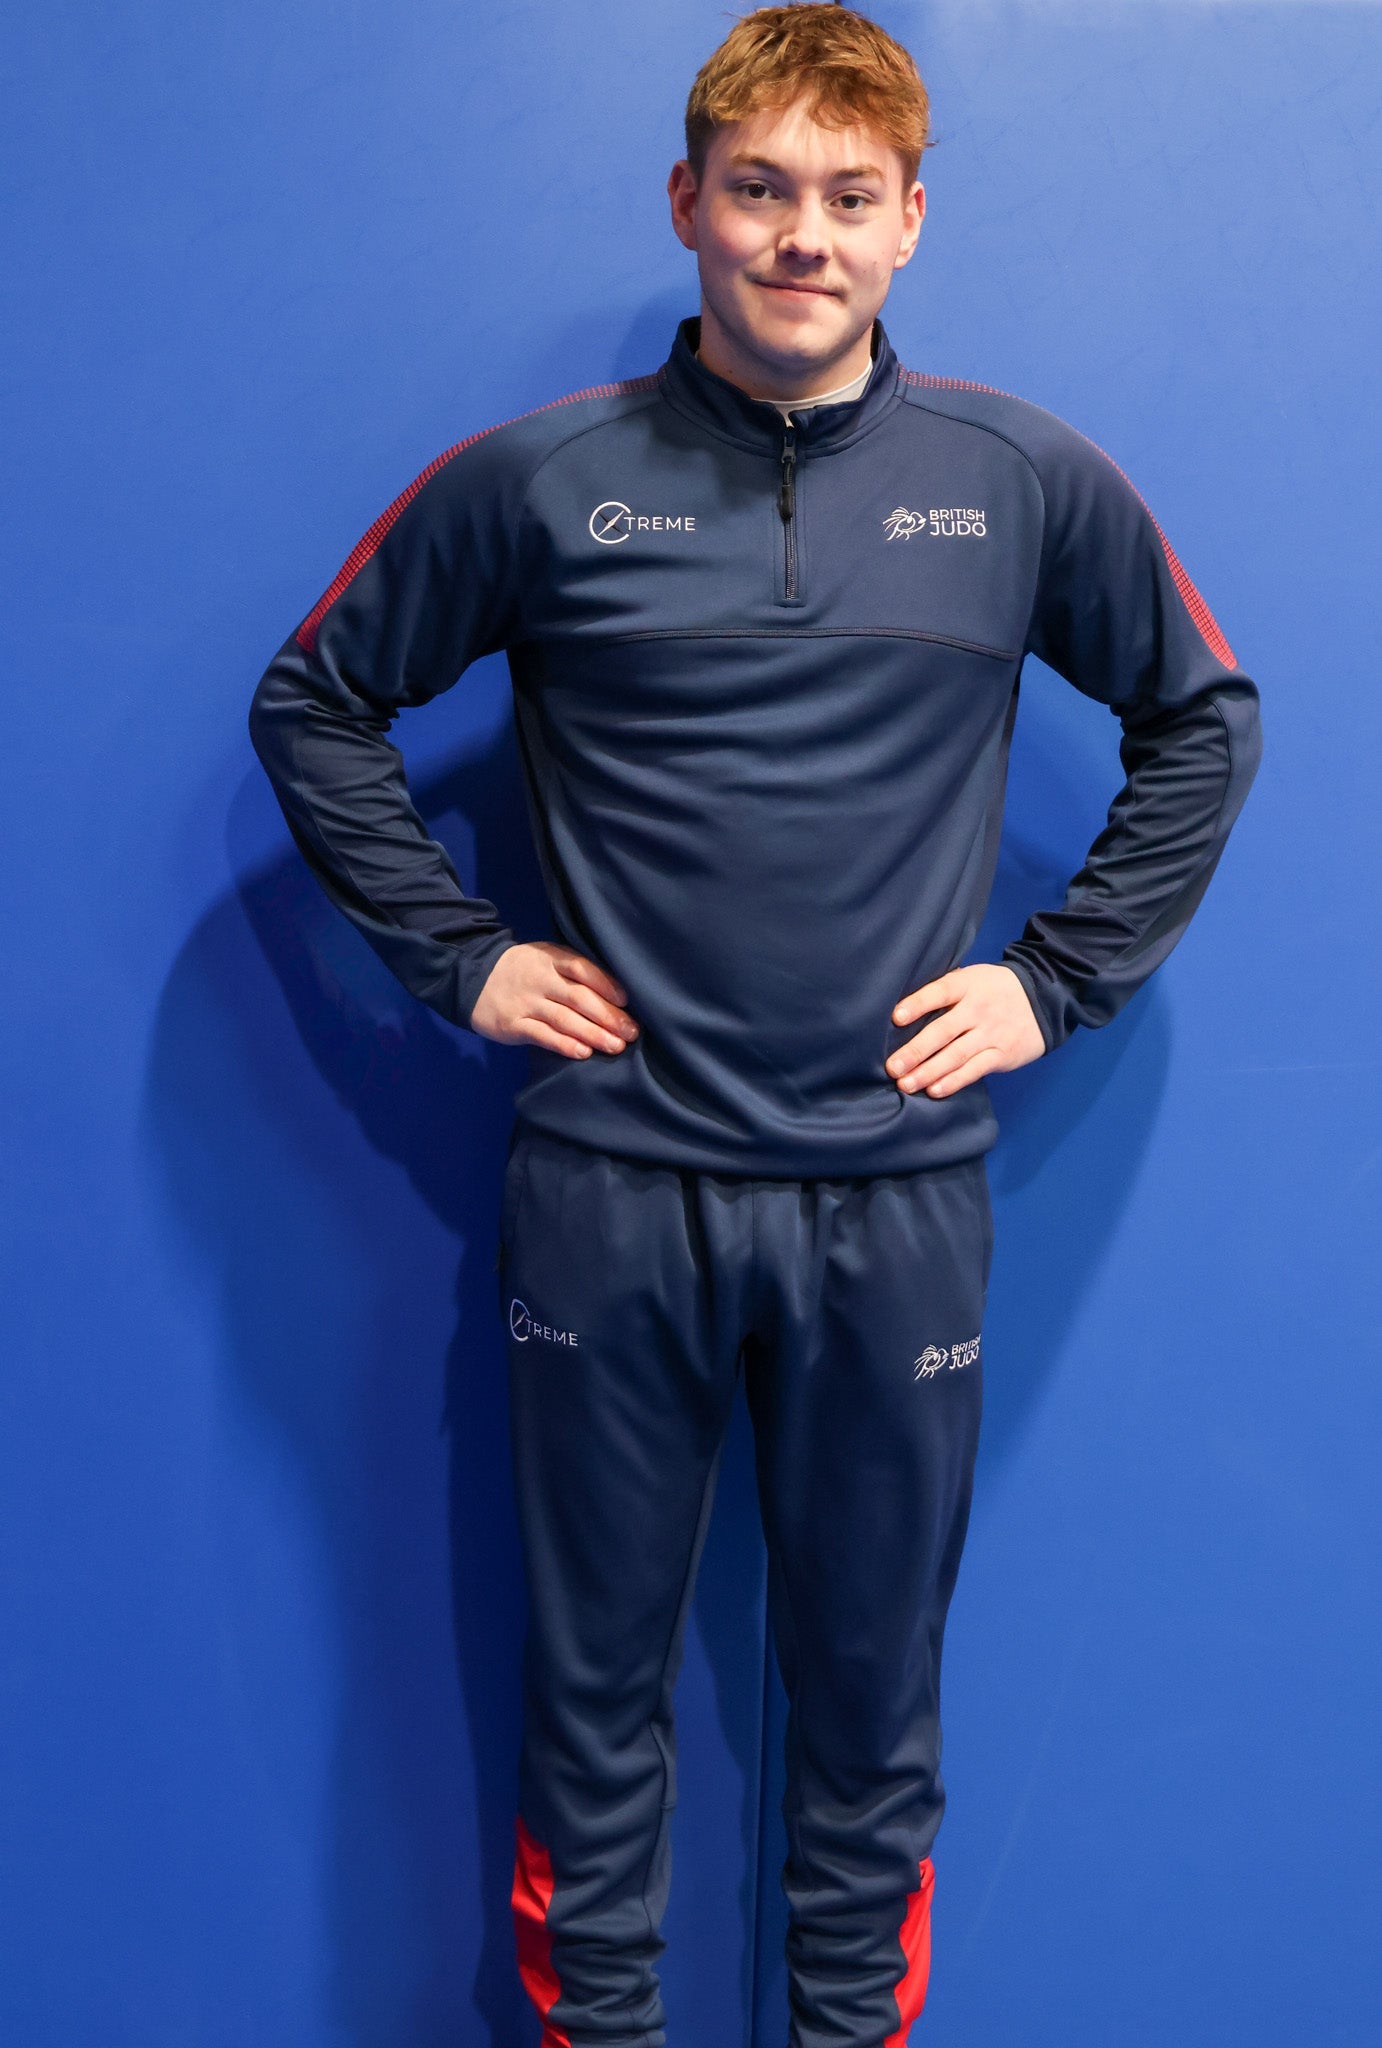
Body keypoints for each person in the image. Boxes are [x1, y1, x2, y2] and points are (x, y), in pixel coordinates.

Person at [248, 6, 1262, 2043]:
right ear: (687, 204)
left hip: (894, 1203)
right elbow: (316, 703)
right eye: (760, 190)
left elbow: (1203, 720)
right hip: (613, 1195)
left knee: (871, 1722)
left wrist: (1055, 978)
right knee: (591, 1709)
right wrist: (460, 956)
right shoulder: (543, 483)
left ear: (910, 223)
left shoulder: (1013, 483)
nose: (803, 236)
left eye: (848, 198)